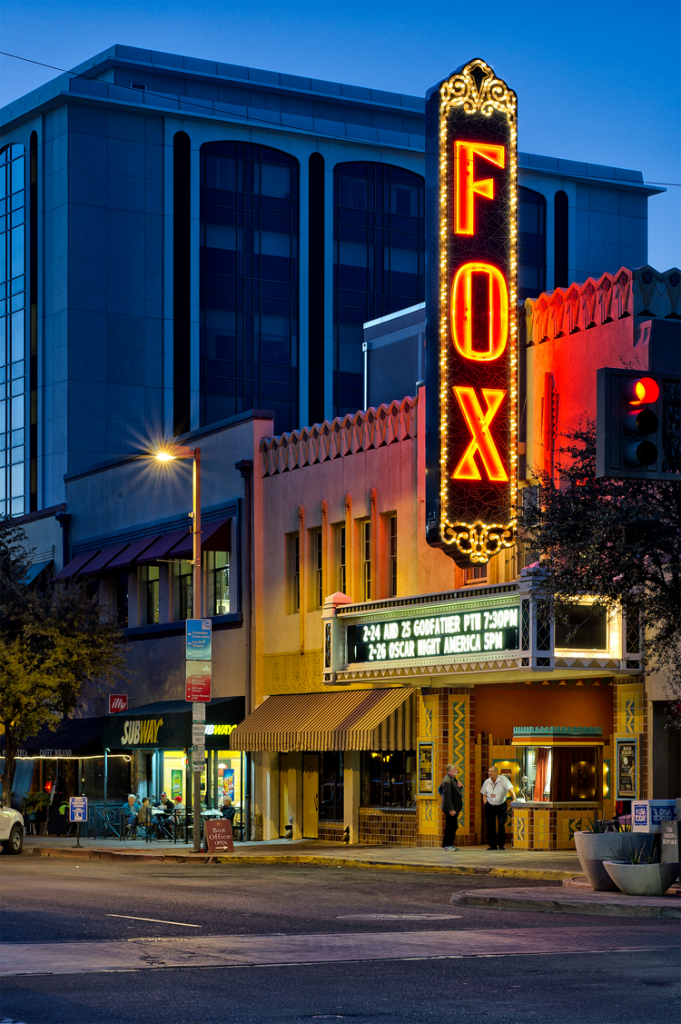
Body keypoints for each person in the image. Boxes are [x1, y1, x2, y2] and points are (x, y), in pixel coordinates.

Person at [480, 766, 515, 851]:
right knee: (491, 825)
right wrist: (485, 803)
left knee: (501, 824)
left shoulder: (503, 779)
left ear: (496, 772)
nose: (489, 773)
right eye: (489, 771)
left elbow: (511, 789)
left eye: (491, 771)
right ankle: (492, 845)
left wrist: (514, 799)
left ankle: (501, 845)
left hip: (501, 805)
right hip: (490, 806)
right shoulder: (487, 782)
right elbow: (483, 793)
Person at [440, 764, 463, 851]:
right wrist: (451, 809)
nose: (456, 770)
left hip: (454, 808)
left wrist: (460, 787)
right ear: (449, 770)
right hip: (451, 809)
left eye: (456, 769)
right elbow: (447, 797)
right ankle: (446, 845)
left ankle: (450, 844)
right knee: (450, 826)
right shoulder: (447, 781)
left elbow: (455, 792)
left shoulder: (452, 779)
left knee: (453, 826)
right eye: (454, 769)